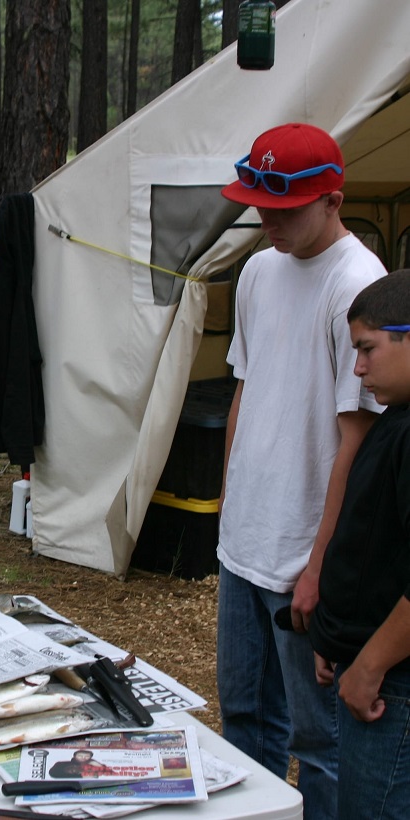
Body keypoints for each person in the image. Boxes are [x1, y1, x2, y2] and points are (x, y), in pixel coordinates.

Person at [216, 122, 386, 818]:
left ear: (334, 200)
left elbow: (358, 439)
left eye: (284, 210)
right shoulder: (258, 270)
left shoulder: (358, 284)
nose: (268, 221)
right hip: (245, 543)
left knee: (318, 741)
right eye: (258, 205)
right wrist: (230, 506)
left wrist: (321, 565)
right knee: (245, 720)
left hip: (301, 557)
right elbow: (245, 390)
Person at [309, 270, 410, 819]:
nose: (358, 367)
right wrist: (336, 637)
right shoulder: (397, 417)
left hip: (393, 690)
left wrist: (369, 664)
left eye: (368, 348)